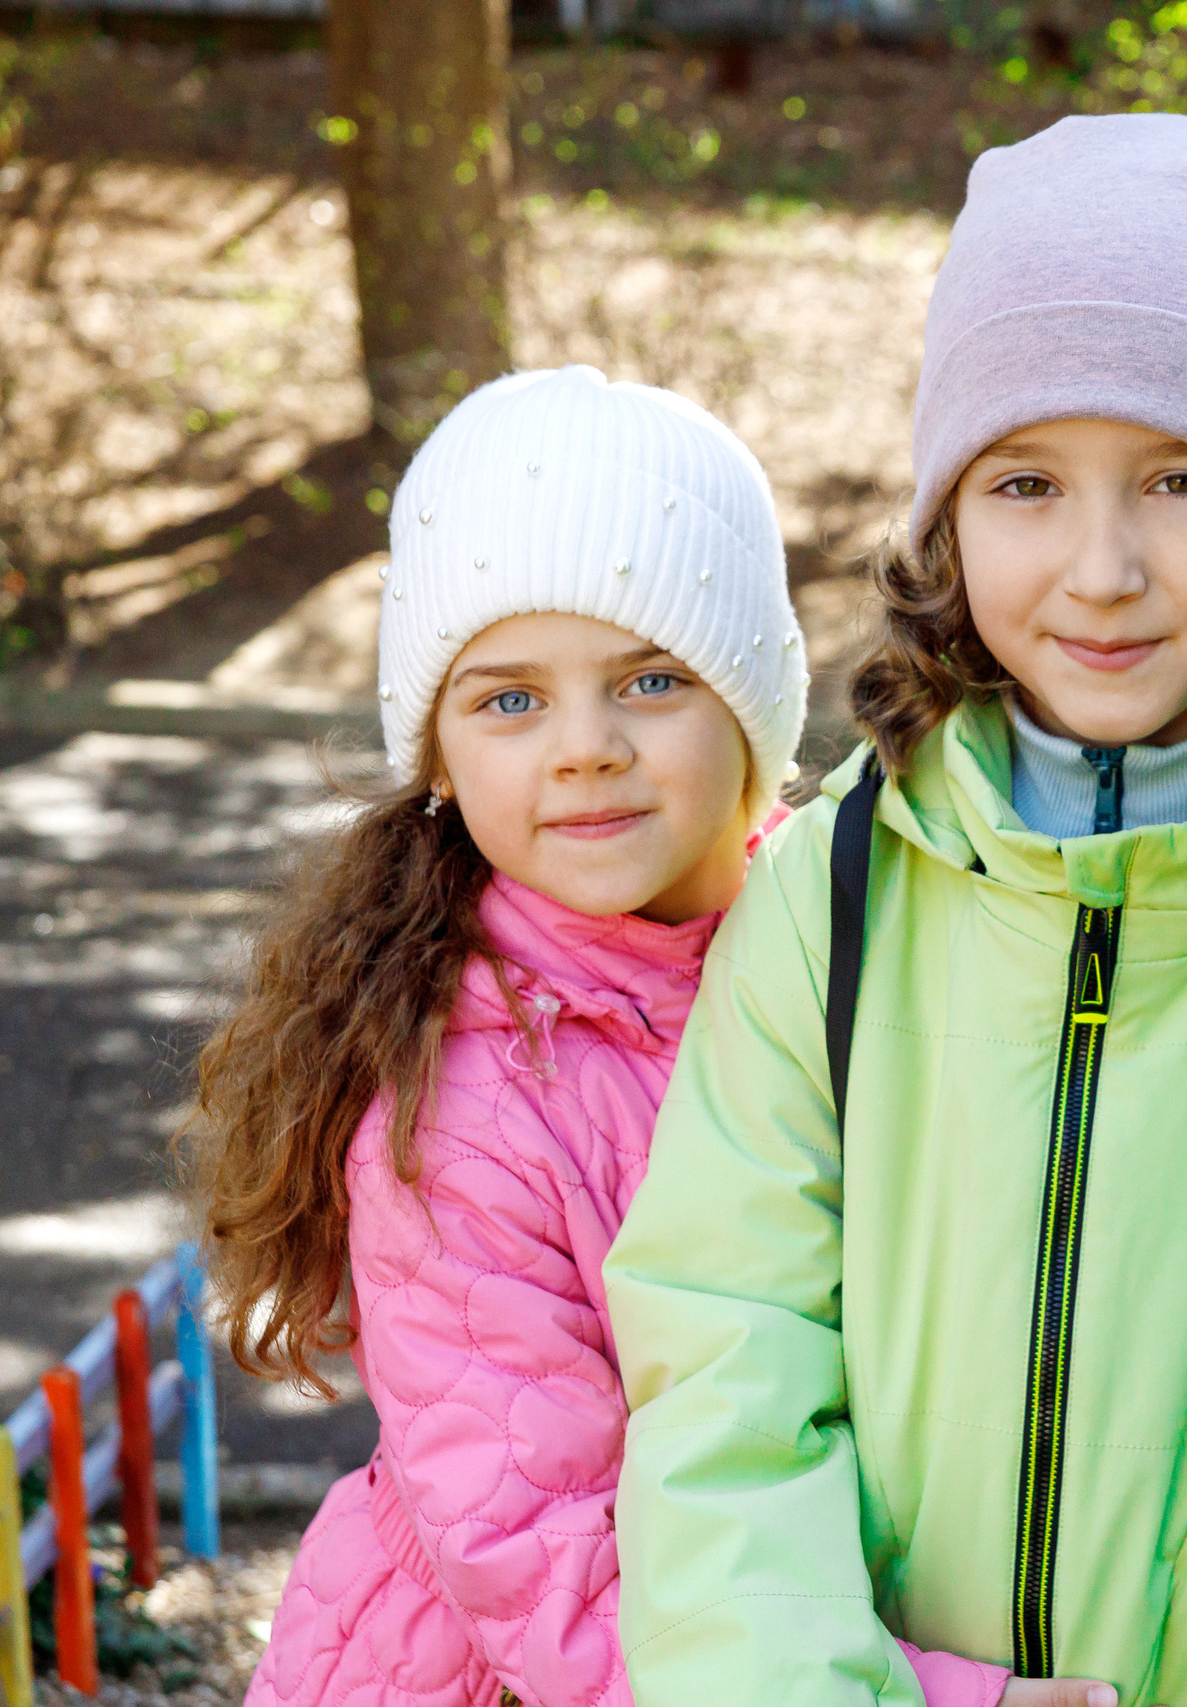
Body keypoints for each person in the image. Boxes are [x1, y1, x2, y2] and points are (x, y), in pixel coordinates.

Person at [605, 114, 1187, 1707]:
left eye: (1183, 479)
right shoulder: (838, 894)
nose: (1102, 568)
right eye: (1029, 483)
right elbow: (726, 1353)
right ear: (950, 519)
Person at [185, 367, 1017, 1707]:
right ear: (442, 754)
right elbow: (548, 1565)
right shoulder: (458, 1110)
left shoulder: (865, 942)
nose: (583, 748)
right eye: (510, 699)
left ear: (749, 706)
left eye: (647, 679)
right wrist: (918, 1694)